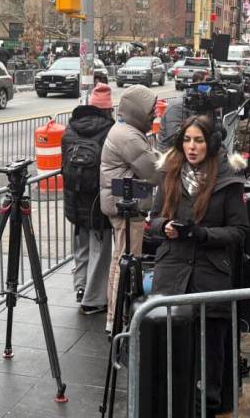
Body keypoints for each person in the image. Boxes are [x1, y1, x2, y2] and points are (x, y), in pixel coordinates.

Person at [150, 115, 248, 415]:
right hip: (173, 270)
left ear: (211, 143)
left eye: (199, 140)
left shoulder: (228, 179)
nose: (192, 147)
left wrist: (203, 234)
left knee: (209, 351)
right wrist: (164, 226)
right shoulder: (170, 174)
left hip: (209, 273)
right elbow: (152, 219)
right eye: (187, 140)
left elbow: (239, 231)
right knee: (171, 346)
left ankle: (208, 404)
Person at [100, 84, 161, 332]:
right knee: (125, 261)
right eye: (150, 111)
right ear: (138, 111)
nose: (154, 115)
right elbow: (154, 170)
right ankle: (117, 320)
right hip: (126, 209)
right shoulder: (128, 135)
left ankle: (116, 317)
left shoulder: (129, 131)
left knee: (121, 259)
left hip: (125, 207)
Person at [62, 83, 115, 315]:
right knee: (100, 250)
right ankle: (93, 300)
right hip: (97, 201)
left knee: (81, 246)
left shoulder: (70, 129)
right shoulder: (111, 131)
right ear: (108, 109)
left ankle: (81, 288)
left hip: (74, 199)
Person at [156, 70, 209, 152]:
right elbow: (174, 139)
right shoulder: (178, 106)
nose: (209, 86)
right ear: (198, 82)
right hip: (171, 154)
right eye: (207, 82)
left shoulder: (202, 103)